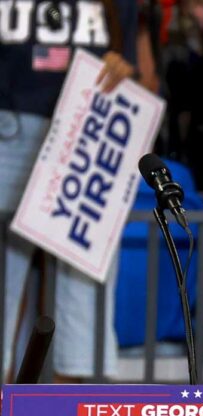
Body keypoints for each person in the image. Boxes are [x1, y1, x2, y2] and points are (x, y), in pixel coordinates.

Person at [1, 0, 138, 382]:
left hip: (87, 125)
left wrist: (121, 68)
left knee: (83, 281)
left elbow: (131, 63)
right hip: (8, 124)